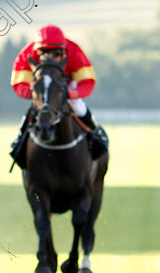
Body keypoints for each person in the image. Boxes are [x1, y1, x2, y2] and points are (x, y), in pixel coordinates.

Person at [9, 24, 109, 166]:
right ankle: (20, 139)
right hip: (42, 88)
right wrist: (35, 93)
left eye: (56, 53)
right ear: (37, 51)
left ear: (63, 49)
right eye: (44, 53)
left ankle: (95, 132)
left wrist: (70, 94)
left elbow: (88, 82)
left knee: (78, 107)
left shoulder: (74, 51)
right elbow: (19, 83)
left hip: (67, 86)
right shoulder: (27, 54)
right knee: (35, 110)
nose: (50, 57)